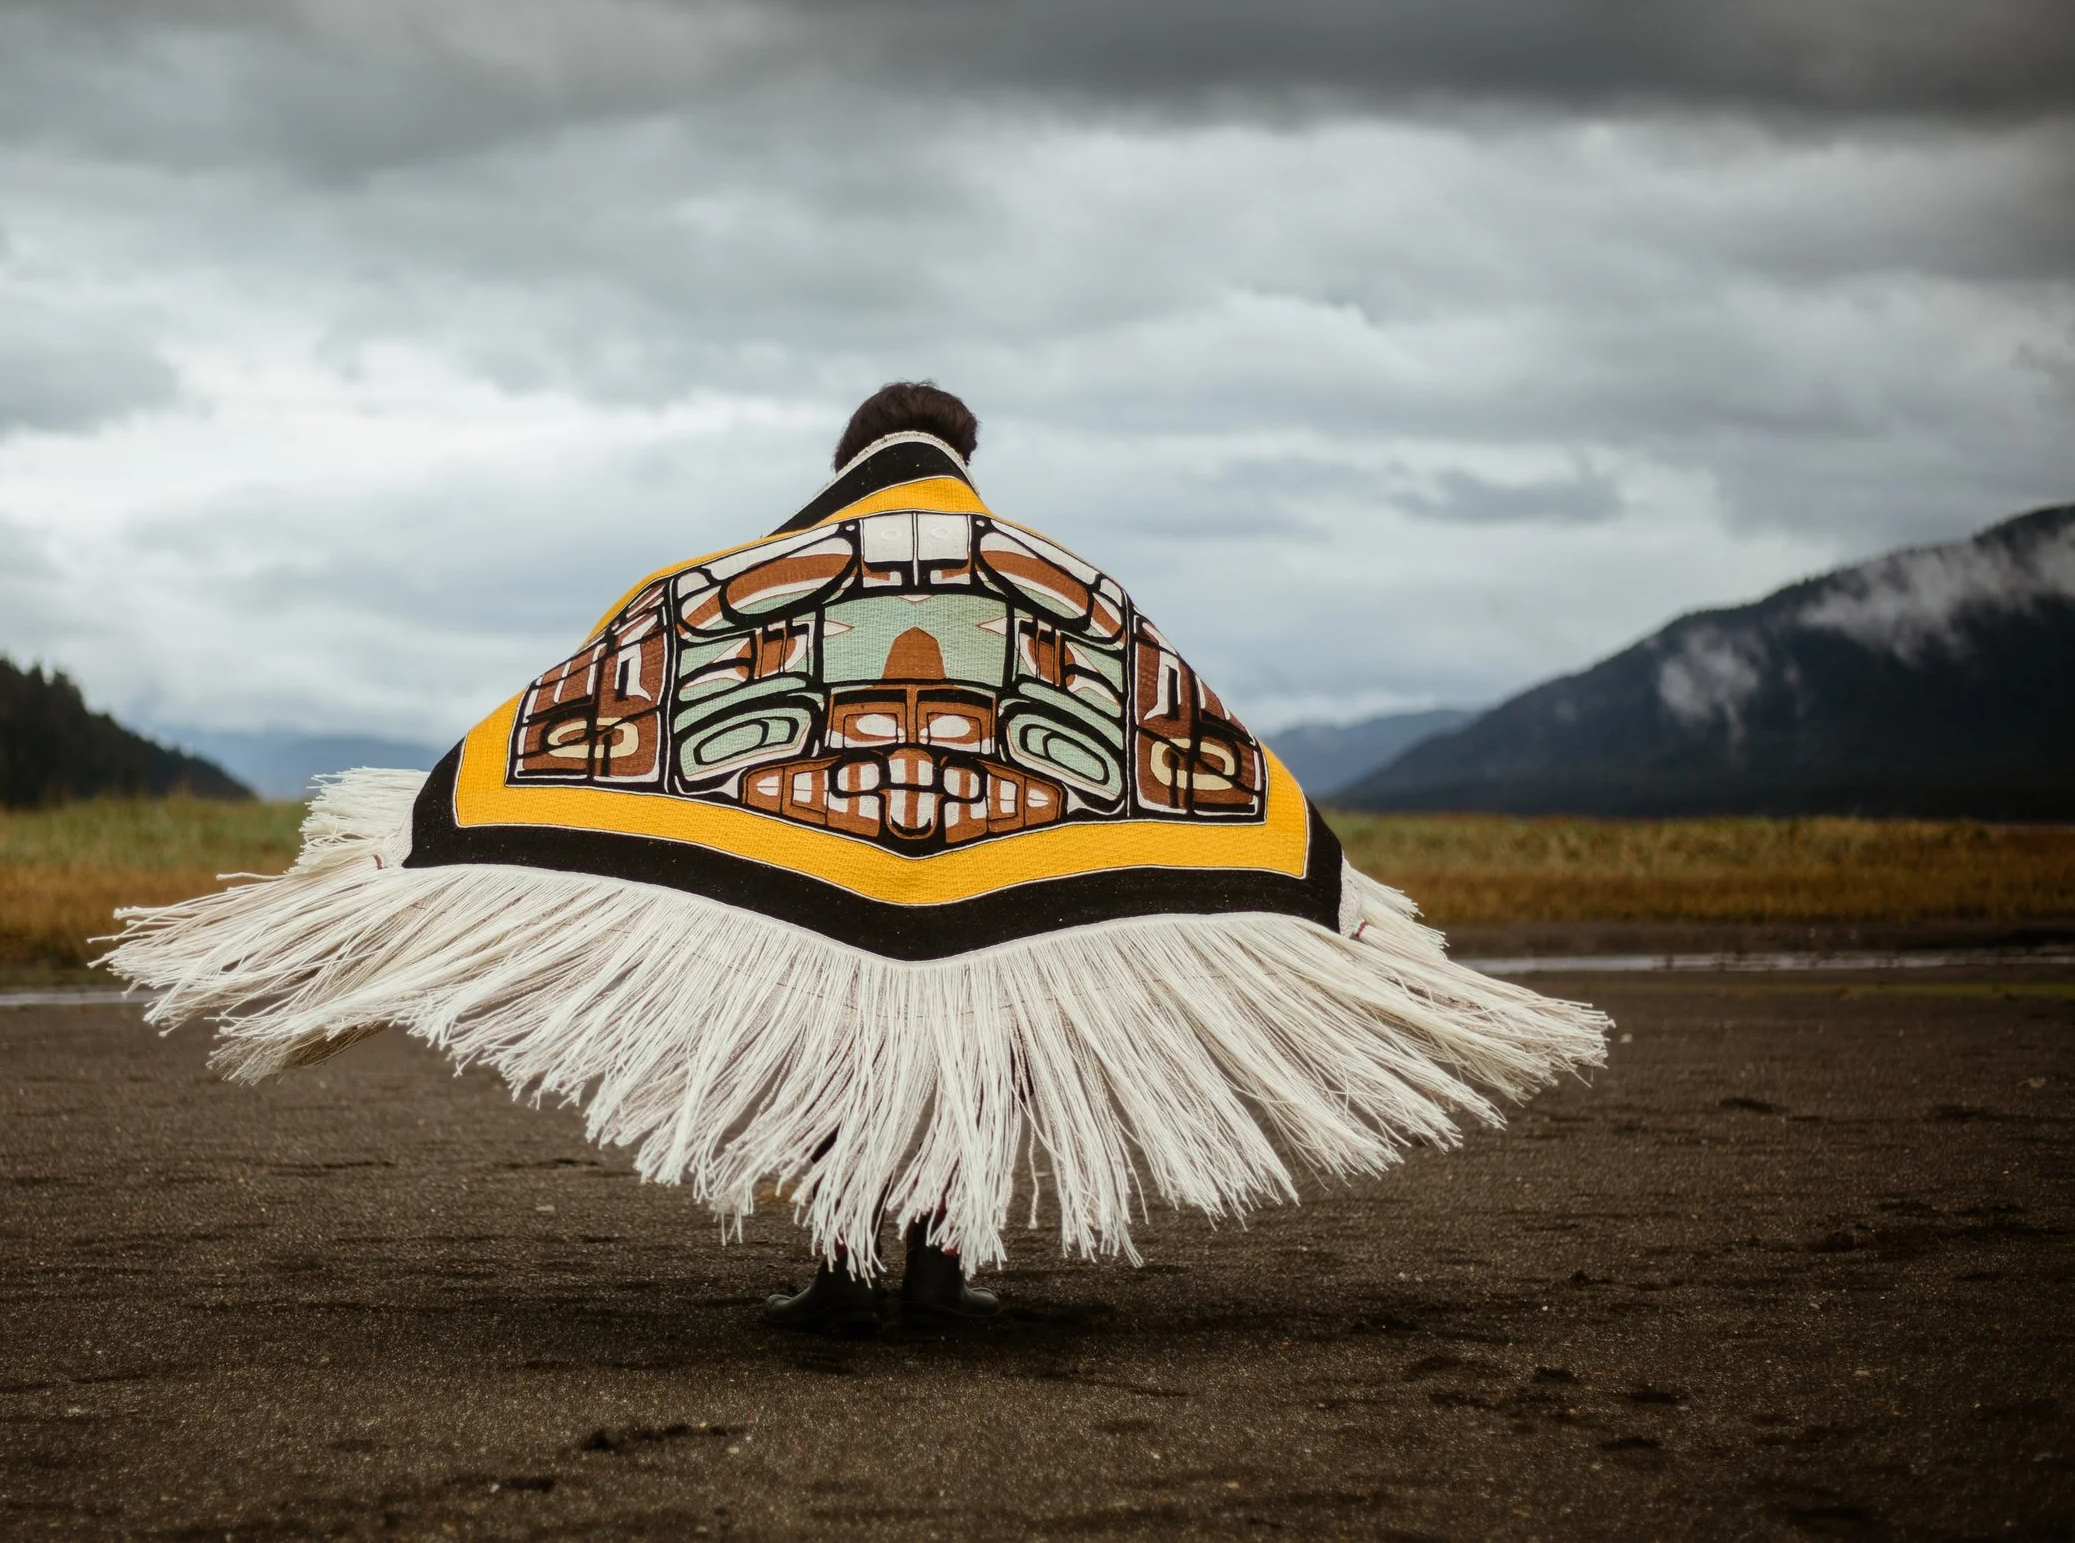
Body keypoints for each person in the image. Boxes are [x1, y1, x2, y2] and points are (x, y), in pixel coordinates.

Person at [109, 382, 1607, 1338]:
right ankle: (943, 1262)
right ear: (961, 454)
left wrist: (457, 802)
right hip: (1002, 861)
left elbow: (664, 655)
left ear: (851, 457)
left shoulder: (776, 575)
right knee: (972, 1033)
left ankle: (840, 1274)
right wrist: (1313, 874)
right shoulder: (1046, 579)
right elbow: (1157, 698)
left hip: (817, 852)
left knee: (840, 1034)